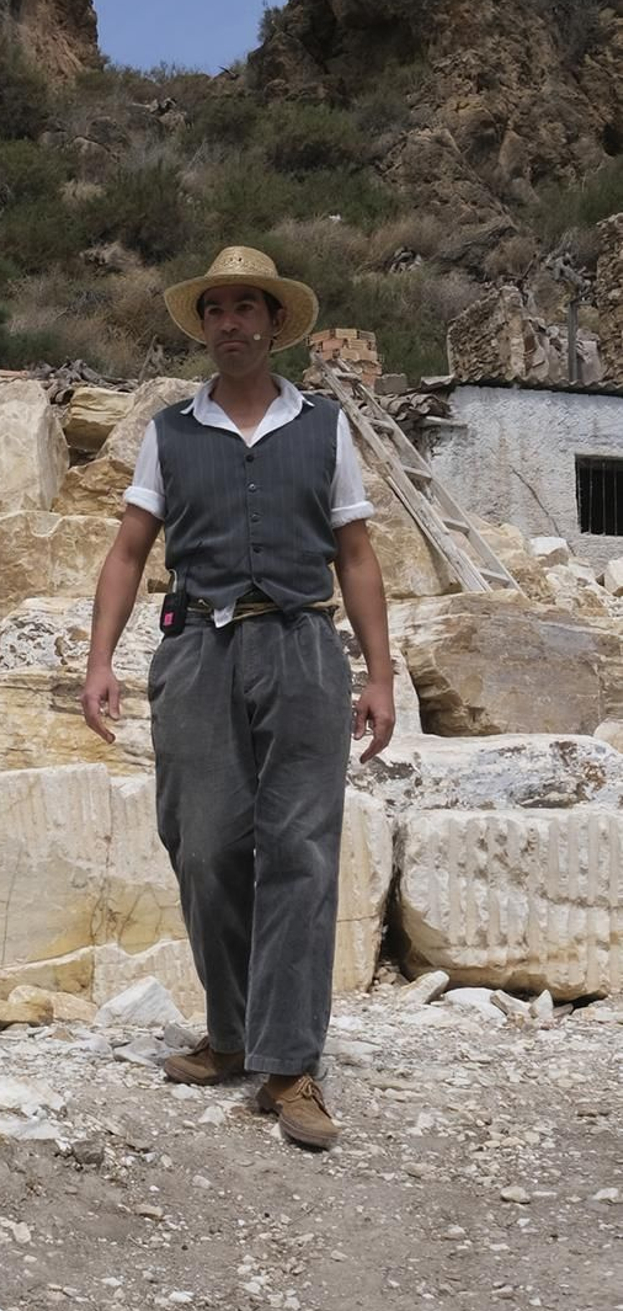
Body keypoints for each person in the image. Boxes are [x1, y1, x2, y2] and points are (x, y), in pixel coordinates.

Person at [80, 246, 396, 1152]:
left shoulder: (324, 427)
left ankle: (290, 1065)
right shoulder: (170, 430)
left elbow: (357, 555)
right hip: (198, 648)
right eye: (215, 308)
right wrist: (99, 660)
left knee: (301, 851)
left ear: (274, 322)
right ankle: (230, 1031)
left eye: (245, 307)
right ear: (205, 324)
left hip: (303, 648)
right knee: (206, 845)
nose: (230, 323)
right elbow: (129, 550)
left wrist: (379, 675)